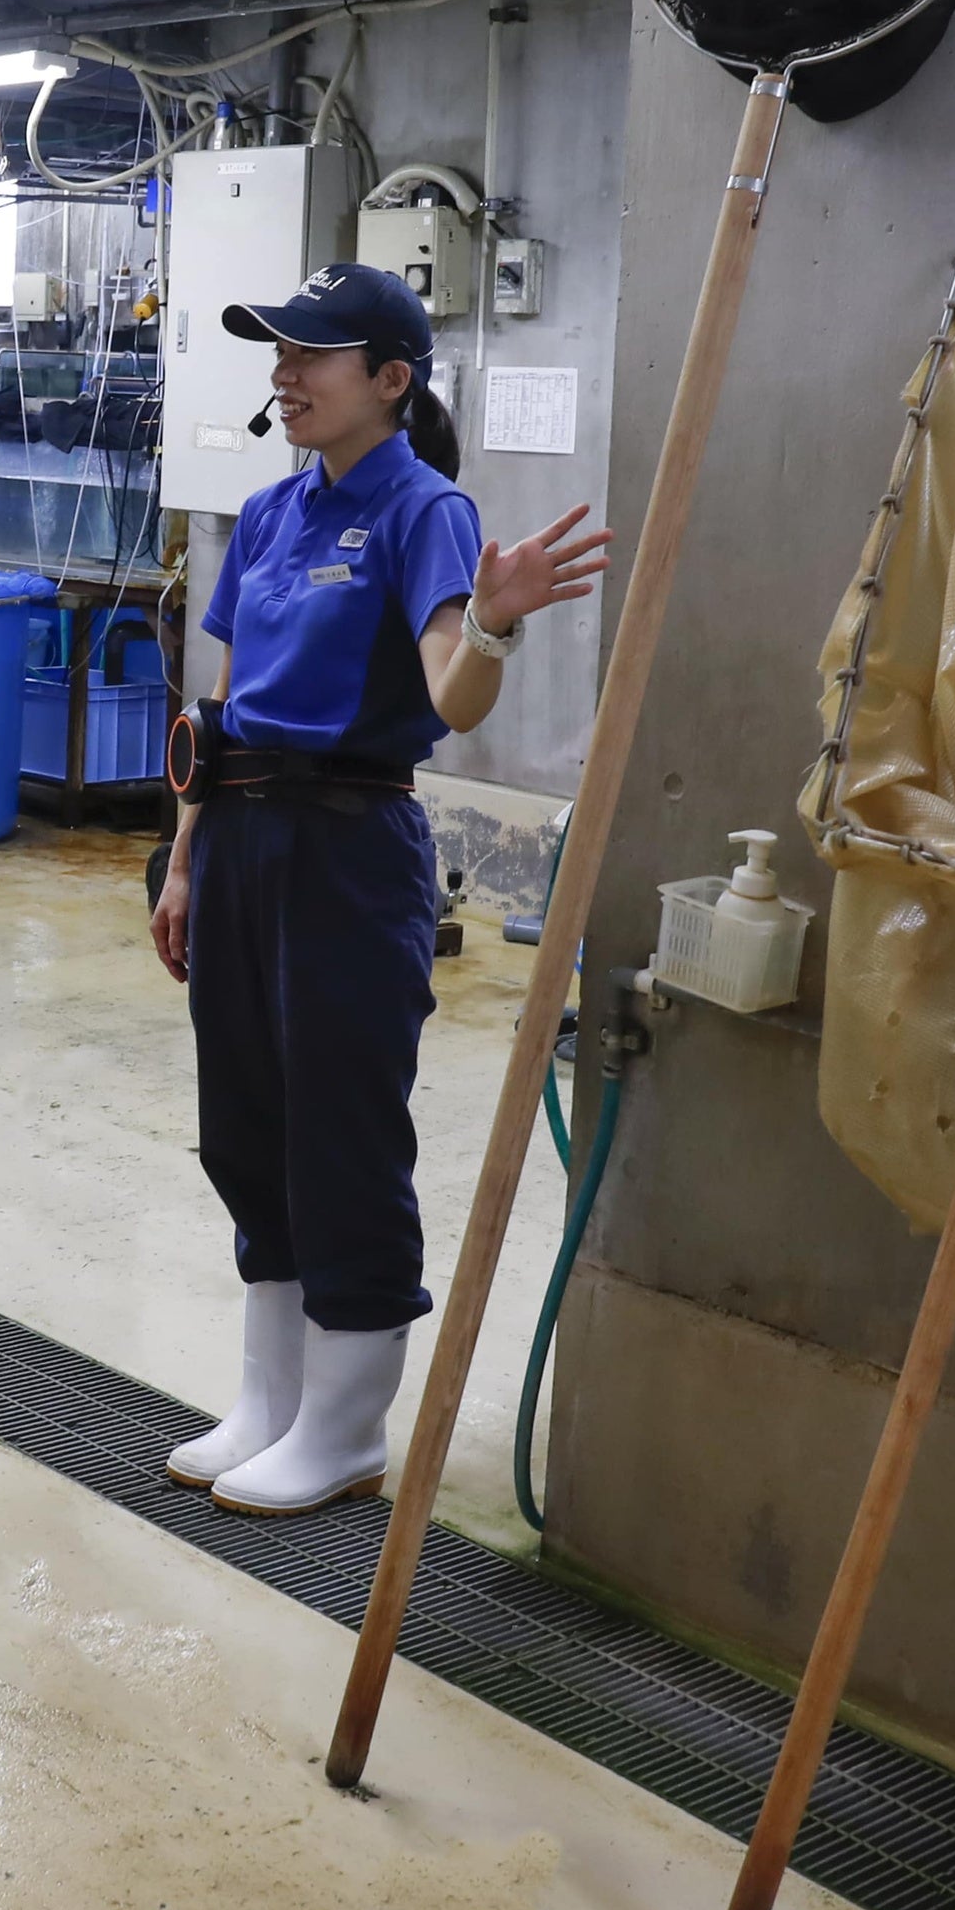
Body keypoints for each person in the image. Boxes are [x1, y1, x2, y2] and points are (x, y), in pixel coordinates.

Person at [148, 263, 610, 1517]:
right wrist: (187, 860)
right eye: (276, 352)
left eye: (313, 354)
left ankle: (345, 1426)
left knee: (341, 1130)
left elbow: (453, 697)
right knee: (248, 1126)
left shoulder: (425, 511)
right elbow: (223, 708)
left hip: (350, 852)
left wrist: (499, 628)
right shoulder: (265, 513)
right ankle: (271, 1399)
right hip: (240, 839)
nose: (284, 374)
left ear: (392, 380)